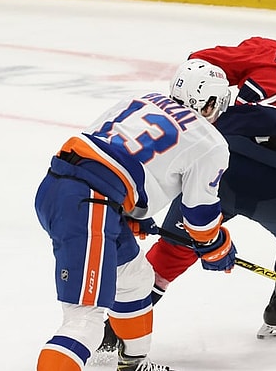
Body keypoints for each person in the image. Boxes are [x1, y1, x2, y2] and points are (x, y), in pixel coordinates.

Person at [97, 5, 276, 348]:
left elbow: (199, 63)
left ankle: (114, 332)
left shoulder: (266, 49)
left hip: (218, 160)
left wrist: (229, 87)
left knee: (175, 247)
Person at [35, 59, 234, 371]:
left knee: (135, 278)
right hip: (91, 205)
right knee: (84, 321)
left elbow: (104, 151)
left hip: (61, 187)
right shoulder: (210, 142)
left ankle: (134, 363)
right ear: (210, 102)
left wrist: (128, 210)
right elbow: (198, 216)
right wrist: (216, 245)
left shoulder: (141, 99)